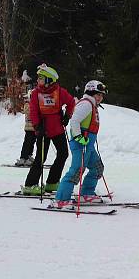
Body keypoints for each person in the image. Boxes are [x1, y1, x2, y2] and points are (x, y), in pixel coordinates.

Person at [52, 81, 107, 209]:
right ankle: (61, 199)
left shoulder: (92, 105)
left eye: (101, 95)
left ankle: (86, 193)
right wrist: (78, 137)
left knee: (97, 168)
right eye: (97, 94)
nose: (100, 97)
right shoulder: (86, 104)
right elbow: (75, 121)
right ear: (90, 93)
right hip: (81, 143)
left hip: (88, 144)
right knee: (77, 170)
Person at [21, 65, 75, 195]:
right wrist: (36, 125)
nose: (38, 80)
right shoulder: (36, 93)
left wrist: (67, 115)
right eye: (38, 78)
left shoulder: (59, 91)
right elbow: (33, 111)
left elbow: (71, 102)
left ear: (49, 80)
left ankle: (52, 182)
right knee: (41, 157)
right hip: (43, 129)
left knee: (63, 154)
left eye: (41, 78)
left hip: (57, 128)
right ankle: (30, 184)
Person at [14, 83, 36, 166]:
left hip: (35, 128)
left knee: (32, 143)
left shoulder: (35, 105)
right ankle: (23, 157)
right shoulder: (28, 104)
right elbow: (27, 111)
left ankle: (29, 156)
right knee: (27, 142)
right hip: (29, 128)